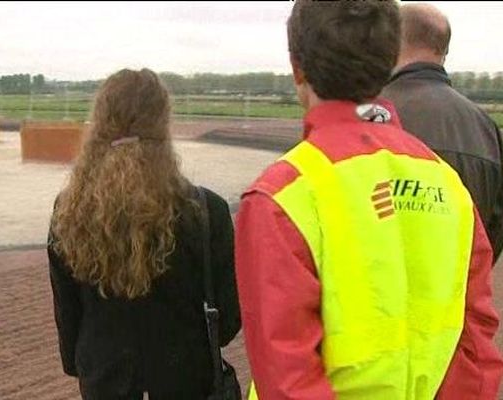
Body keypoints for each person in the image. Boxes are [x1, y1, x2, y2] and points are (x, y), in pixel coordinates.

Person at [235, 1, 503, 399]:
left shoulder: (282, 195)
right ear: (388, 61)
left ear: (297, 68)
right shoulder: (448, 184)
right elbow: (475, 348)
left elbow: (287, 380)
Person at [47, 68, 241, 400]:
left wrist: (89, 363)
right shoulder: (207, 211)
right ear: (163, 126)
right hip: (189, 381)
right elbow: (227, 323)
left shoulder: (70, 211)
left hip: (106, 382)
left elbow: (69, 318)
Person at [382, 3, 503, 260]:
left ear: (389, 41)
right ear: (444, 51)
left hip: (374, 293)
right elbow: (493, 232)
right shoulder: (486, 128)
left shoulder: (366, 115)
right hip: (457, 293)